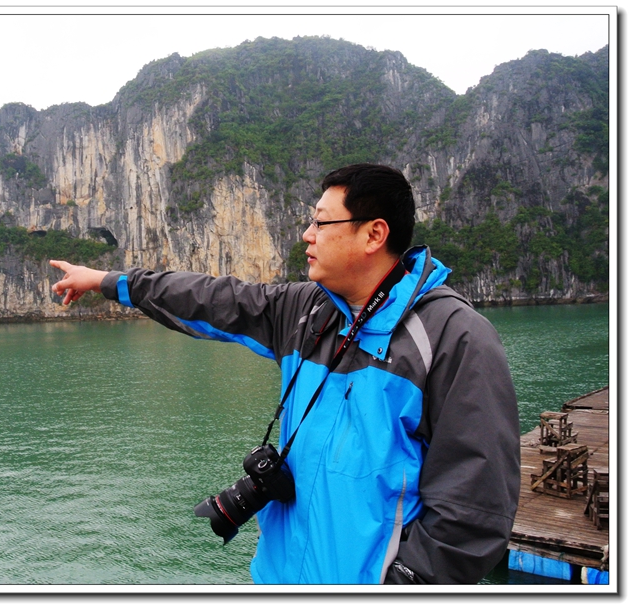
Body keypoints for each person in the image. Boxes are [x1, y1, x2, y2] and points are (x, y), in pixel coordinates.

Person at [50, 163, 520, 584]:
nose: (307, 235)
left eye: (321, 222)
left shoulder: (452, 338)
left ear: (374, 234)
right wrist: (108, 281)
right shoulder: (307, 312)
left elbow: (474, 510)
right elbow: (212, 298)